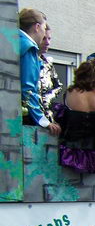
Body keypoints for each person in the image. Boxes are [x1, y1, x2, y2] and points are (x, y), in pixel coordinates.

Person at [19, 8, 60, 136]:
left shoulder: (14, 40)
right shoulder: (28, 47)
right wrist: (44, 121)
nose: (43, 34)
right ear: (37, 27)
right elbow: (28, 90)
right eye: (43, 28)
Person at [38, 24, 62, 127]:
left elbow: (58, 86)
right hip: (32, 114)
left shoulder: (48, 63)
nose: (47, 42)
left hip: (47, 112)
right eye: (44, 39)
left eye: (49, 39)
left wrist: (48, 97)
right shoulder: (28, 60)